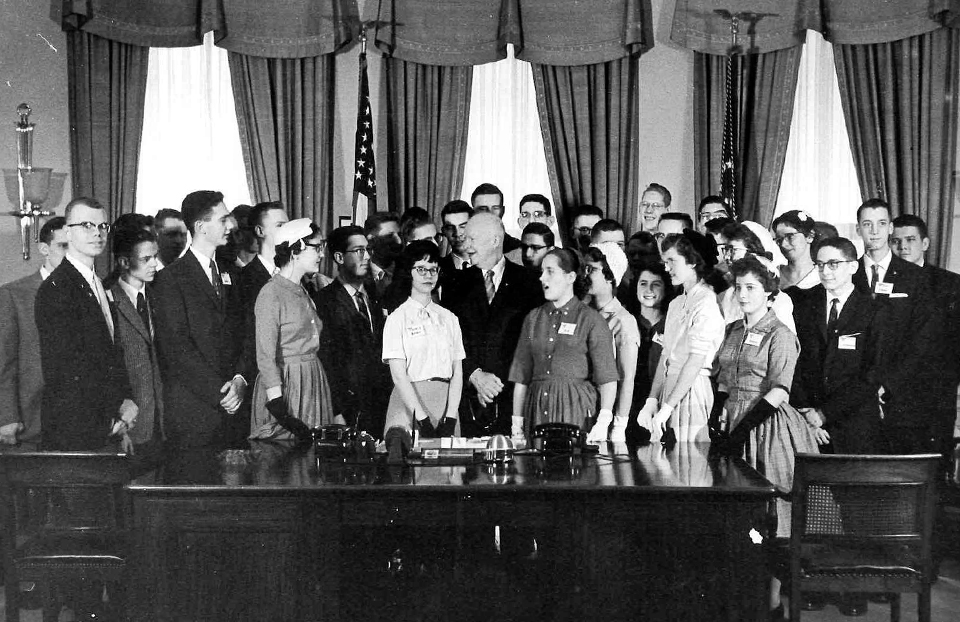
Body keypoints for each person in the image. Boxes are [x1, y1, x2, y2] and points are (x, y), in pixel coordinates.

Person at [712, 255, 820, 616]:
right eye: (738, 287)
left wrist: (743, 429)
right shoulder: (733, 330)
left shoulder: (780, 334)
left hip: (767, 428)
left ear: (769, 292)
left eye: (751, 288)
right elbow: (724, 380)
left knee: (772, 519)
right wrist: (719, 414)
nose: (743, 294)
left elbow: (779, 391)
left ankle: (772, 605)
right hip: (734, 423)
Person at [36, 198, 137, 451]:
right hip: (76, 426)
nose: (97, 233)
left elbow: (111, 352)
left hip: (106, 422)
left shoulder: (97, 283)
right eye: (87, 225)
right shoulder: (57, 288)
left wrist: (124, 401)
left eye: (103, 226)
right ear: (68, 232)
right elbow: (65, 370)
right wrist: (107, 420)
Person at [153, 190, 249, 449]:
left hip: (236, 408)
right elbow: (177, 349)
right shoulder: (170, 279)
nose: (230, 226)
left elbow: (245, 333)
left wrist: (240, 379)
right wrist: (221, 393)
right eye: (223, 220)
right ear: (200, 227)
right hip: (195, 413)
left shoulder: (232, 274)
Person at [444, 213, 543, 436]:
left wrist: (495, 385)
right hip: (469, 399)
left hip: (514, 398)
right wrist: (475, 375)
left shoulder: (530, 283)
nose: (466, 246)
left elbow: (533, 343)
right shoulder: (455, 283)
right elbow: (448, 339)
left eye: (472, 239)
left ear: (495, 240)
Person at [853, 198, 938, 454]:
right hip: (855, 397)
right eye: (867, 224)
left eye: (881, 224)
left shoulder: (916, 277)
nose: (874, 231)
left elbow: (922, 340)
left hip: (903, 397)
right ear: (858, 229)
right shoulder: (849, 273)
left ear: (890, 228)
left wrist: (888, 385)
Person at [510, 249, 618, 435]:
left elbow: (607, 377)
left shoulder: (591, 319)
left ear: (571, 277)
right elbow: (521, 376)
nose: (542, 278)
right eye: (542, 272)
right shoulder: (533, 318)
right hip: (537, 409)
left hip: (575, 410)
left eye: (550, 271)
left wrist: (603, 421)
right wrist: (516, 424)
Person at [792, 237, 882, 454]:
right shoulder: (803, 305)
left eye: (833, 264)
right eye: (820, 264)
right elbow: (794, 361)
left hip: (854, 425)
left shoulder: (874, 310)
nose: (825, 271)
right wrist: (806, 413)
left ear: (853, 267)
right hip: (807, 423)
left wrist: (824, 414)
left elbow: (872, 374)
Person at [636, 231, 724, 443]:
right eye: (665, 262)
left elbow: (695, 360)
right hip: (670, 387)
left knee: (687, 456)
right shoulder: (676, 303)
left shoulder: (706, 302)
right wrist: (652, 399)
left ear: (692, 261)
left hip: (691, 388)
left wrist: (668, 407)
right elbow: (666, 355)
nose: (667, 268)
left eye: (672, 261)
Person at [250, 219, 332, 441]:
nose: (322, 254)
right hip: (288, 386)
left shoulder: (302, 290)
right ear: (296, 251)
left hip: (312, 380)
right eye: (317, 247)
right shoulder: (271, 294)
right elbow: (265, 356)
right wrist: (279, 408)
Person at [891, 214, 960, 467]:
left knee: (934, 465)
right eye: (896, 241)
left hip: (936, 391)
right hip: (894, 393)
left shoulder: (951, 283)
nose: (903, 247)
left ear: (926, 244)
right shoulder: (882, 281)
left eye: (910, 240)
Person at [382, 241, 465, 439]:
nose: (428, 275)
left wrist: (451, 418)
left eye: (433, 269)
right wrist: (422, 419)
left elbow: (458, 372)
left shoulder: (449, 318)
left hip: (446, 406)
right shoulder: (397, 319)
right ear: (408, 273)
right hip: (409, 405)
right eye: (421, 269)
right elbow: (399, 376)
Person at [315, 226, 392, 438]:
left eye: (368, 250)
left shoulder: (376, 295)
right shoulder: (324, 301)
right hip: (348, 410)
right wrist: (336, 411)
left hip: (381, 407)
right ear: (339, 257)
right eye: (358, 251)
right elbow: (327, 363)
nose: (366, 256)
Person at [0, 217, 67, 449]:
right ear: (44, 249)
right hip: (29, 421)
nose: (70, 255)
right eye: (63, 246)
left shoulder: (92, 292)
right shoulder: (14, 294)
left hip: (79, 420)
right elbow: (4, 361)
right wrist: (6, 416)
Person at [108, 227, 165, 474]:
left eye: (155, 256)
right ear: (124, 262)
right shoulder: (108, 300)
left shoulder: (159, 297)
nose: (155, 264)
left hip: (162, 422)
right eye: (146, 259)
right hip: (131, 422)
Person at [583, 243, 640, 442]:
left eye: (592, 269)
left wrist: (618, 425)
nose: (585, 275)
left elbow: (627, 378)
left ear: (610, 276)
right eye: (585, 268)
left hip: (603, 412)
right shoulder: (582, 312)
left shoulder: (623, 320)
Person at [716, 223, 796, 333]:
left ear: (753, 253)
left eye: (733, 250)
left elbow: (785, 340)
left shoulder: (778, 300)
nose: (727, 256)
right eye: (726, 249)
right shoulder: (729, 295)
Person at [628, 263, 673, 442]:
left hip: (659, 403)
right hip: (629, 403)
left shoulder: (671, 323)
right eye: (643, 283)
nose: (649, 290)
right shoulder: (627, 321)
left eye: (656, 284)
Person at [772, 210, 819, 293]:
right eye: (779, 240)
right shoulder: (772, 275)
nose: (783, 244)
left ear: (809, 236)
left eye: (790, 236)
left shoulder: (822, 276)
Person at [472, 182, 522, 257]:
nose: (490, 213)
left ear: (503, 211)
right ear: (473, 213)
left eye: (495, 208)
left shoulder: (518, 249)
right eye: (483, 209)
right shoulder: (464, 248)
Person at [364, 211, 403, 300]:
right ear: (370, 241)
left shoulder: (411, 275)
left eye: (399, 235)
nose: (399, 241)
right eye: (389, 236)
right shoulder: (356, 277)